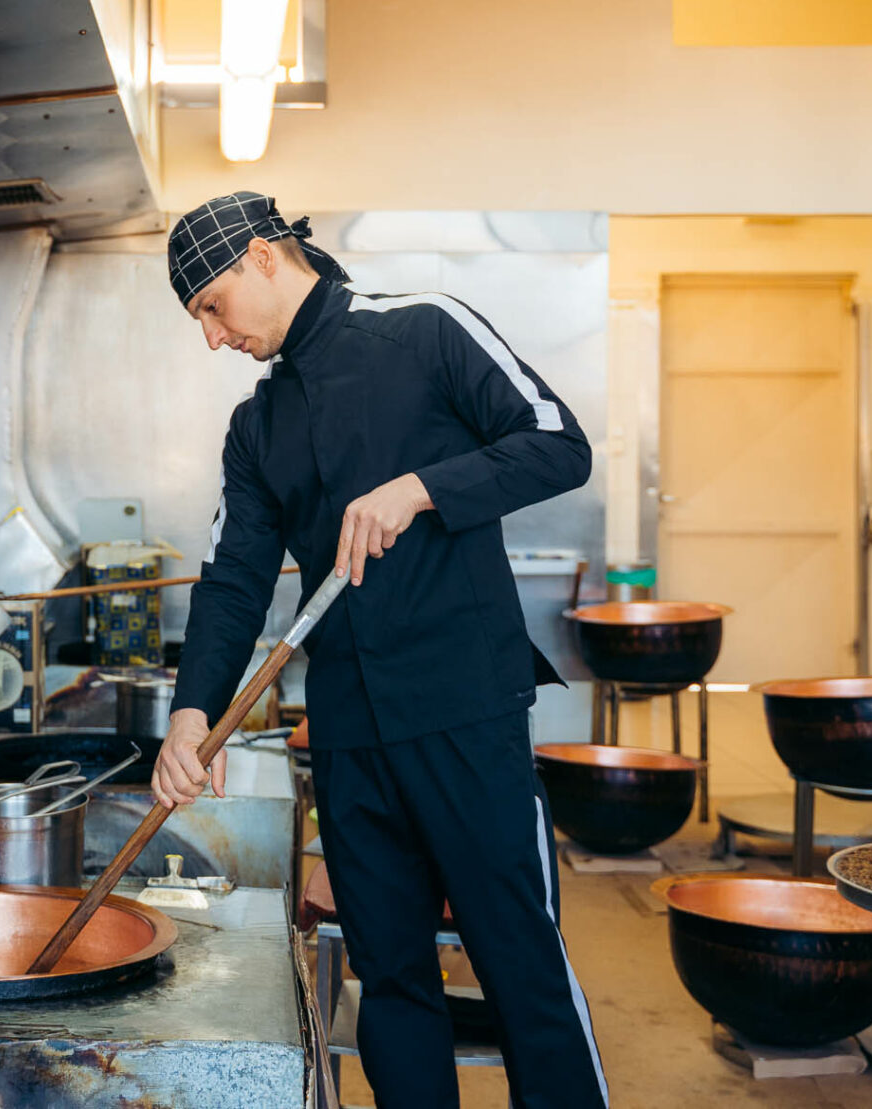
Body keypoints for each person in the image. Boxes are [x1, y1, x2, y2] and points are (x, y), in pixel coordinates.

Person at [151, 192, 608, 1108]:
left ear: (261, 258)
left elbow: (560, 444)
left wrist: (424, 488)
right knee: (392, 985)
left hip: (466, 715)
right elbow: (234, 577)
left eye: (209, 306)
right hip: (353, 738)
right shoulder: (258, 426)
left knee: (520, 967)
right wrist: (191, 711)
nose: (211, 337)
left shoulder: (426, 331)